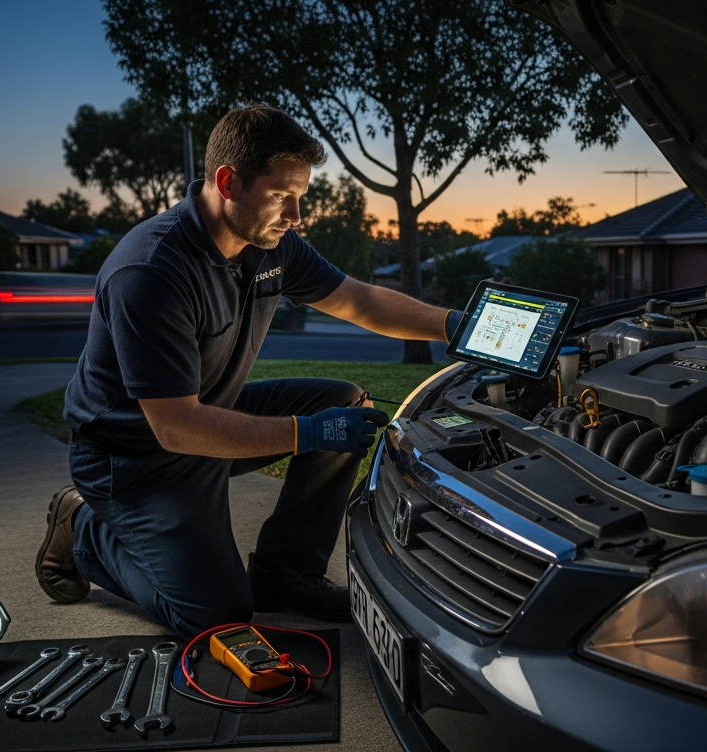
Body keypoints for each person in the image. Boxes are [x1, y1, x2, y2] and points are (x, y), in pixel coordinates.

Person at [36, 106, 463, 638]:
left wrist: (456, 327)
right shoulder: (150, 270)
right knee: (214, 616)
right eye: (282, 195)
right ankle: (82, 530)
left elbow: (359, 301)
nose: (296, 214)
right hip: (133, 456)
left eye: (300, 196)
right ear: (227, 182)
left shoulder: (270, 246)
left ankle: (285, 572)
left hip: (207, 416)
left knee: (343, 400)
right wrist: (307, 433)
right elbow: (175, 427)